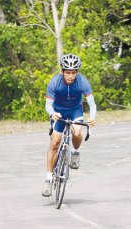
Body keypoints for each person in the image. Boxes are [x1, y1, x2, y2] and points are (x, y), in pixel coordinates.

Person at [42, 54, 97, 197]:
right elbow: (48, 105)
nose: (70, 76)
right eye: (68, 72)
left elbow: (91, 104)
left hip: (75, 110)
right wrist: (52, 113)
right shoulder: (54, 82)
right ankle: (48, 179)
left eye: (73, 73)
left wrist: (92, 118)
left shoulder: (82, 82)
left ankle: (75, 152)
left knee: (77, 132)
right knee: (54, 143)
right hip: (58, 111)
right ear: (62, 71)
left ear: (77, 73)